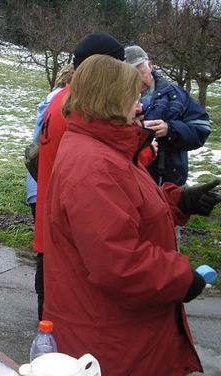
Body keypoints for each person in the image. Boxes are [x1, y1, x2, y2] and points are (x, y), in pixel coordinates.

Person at [43, 53, 220, 375]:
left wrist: (179, 203)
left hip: (121, 329)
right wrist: (182, 278)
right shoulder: (94, 166)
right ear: (110, 99)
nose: (140, 106)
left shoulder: (106, 149)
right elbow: (117, 262)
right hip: (112, 338)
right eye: (134, 97)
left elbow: (127, 208)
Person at [33, 32, 126, 320]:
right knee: (66, 337)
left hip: (51, 232)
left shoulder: (61, 98)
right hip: (70, 240)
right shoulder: (82, 110)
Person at [25, 63, 73, 321]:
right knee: (50, 262)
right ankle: (48, 321)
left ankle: (45, 319)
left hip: (40, 187)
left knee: (45, 257)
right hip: (48, 190)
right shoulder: (63, 105)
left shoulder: (52, 102)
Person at [124, 45, 211, 187]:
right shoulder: (117, 98)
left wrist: (170, 130)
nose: (138, 81)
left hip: (171, 182)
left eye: (141, 73)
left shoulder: (176, 95)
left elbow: (202, 128)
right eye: (131, 77)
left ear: (150, 65)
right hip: (135, 182)